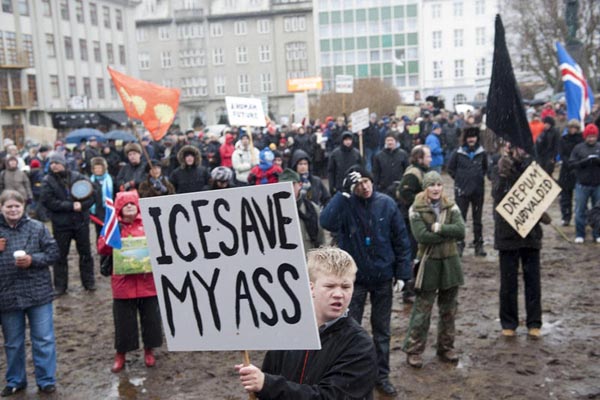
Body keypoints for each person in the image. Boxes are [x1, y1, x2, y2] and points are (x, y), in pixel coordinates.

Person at [235, 247, 377, 399]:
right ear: (311, 287)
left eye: (345, 287)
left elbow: (330, 397)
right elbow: (270, 379)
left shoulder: (359, 345)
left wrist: (267, 384)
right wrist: (258, 384)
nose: (338, 294)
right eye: (329, 286)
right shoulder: (289, 331)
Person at [320, 166, 412, 397]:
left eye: (367, 181)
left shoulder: (386, 203)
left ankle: (382, 375)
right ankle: (351, 377)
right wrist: (342, 195)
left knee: (382, 331)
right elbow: (326, 221)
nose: (364, 186)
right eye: (359, 183)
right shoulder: (346, 205)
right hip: (354, 280)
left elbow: (401, 239)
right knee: (351, 329)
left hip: (382, 277)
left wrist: (403, 274)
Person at [402, 171, 465, 368]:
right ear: (425, 188)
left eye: (439, 184)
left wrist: (439, 229)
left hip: (450, 263)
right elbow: (421, 236)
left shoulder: (451, 205)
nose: (436, 188)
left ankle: (446, 347)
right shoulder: (416, 208)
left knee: (449, 309)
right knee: (422, 310)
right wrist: (448, 233)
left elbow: (461, 231)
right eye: (432, 185)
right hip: (428, 263)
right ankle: (414, 350)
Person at [0, 190, 60, 396]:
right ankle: (16, 380)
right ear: (2, 208)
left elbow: (54, 253)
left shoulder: (38, 228)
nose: (13, 209)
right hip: (7, 295)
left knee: (43, 339)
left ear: (23, 207)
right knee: (13, 342)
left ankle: (46, 380)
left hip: (38, 293)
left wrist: (33, 260)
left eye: (17, 205)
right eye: (9, 206)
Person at [97, 190, 163, 373]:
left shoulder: (148, 223)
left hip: (147, 282)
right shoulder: (113, 226)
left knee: (151, 320)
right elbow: (101, 247)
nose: (129, 207)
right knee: (124, 322)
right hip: (123, 283)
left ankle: (149, 350)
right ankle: (121, 354)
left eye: (132, 203)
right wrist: (112, 240)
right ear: (119, 208)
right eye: (125, 204)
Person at [493, 144, 546, 338]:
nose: (520, 151)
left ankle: (534, 322)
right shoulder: (499, 166)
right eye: (516, 147)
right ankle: (509, 323)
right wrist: (504, 173)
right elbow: (498, 195)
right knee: (508, 283)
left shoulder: (534, 166)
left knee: (533, 281)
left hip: (530, 233)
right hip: (507, 234)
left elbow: (542, 191)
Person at [40, 152, 95, 295]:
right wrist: (70, 206)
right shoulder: (48, 181)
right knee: (60, 256)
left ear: (63, 164)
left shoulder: (78, 177)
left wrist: (82, 206)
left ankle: (89, 282)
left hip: (81, 222)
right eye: (51, 163)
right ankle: (60, 286)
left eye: (56, 163)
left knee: (85, 253)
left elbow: (92, 194)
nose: (54, 166)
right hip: (61, 225)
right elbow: (48, 201)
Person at [447, 126, 488, 257]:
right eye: (469, 137)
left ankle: (478, 245)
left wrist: (478, 178)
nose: (471, 139)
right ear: (465, 139)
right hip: (462, 191)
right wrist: (460, 180)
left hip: (478, 191)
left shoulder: (482, 153)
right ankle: (459, 244)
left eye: (474, 137)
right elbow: (450, 169)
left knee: (478, 220)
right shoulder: (458, 153)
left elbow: (485, 168)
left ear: (477, 138)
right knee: (460, 219)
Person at [278, 168, 325, 250]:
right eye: (283, 185)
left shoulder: (312, 209)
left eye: (292, 184)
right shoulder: (274, 211)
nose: (287, 188)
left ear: (300, 185)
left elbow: (321, 241)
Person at [569, 123, 600, 243]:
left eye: (593, 136)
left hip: (598, 184)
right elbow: (571, 164)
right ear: (585, 136)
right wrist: (584, 162)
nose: (591, 138)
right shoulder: (578, 148)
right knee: (580, 210)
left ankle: (597, 234)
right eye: (589, 136)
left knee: (597, 211)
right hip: (582, 184)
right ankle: (580, 234)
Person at [557, 119, 583, 226]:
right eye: (571, 127)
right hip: (566, 170)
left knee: (579, 197)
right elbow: (562, 153)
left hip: (577, 170)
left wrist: (575, 163)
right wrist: (568, 162)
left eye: (574, 127)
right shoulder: (564, 139)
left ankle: (580, 217)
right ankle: (566, 216)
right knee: (565, 196)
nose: (572, 129)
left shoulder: (581, 140)